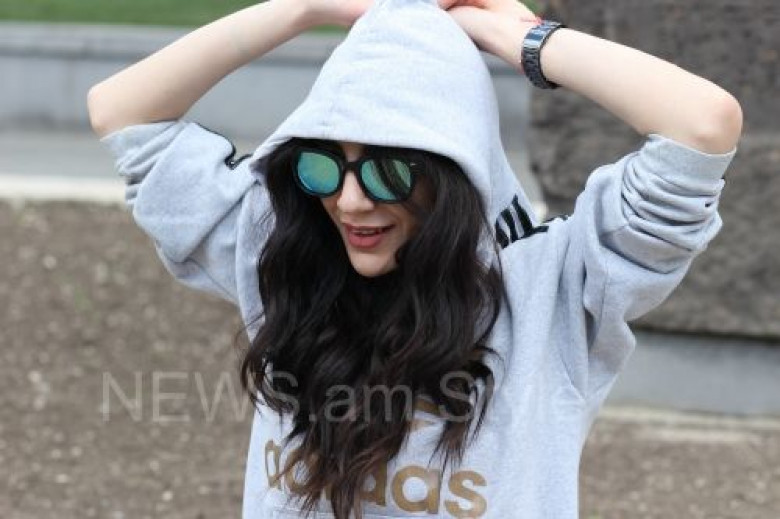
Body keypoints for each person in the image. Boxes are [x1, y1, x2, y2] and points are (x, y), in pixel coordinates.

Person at [87, 0, 743, 517]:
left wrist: (519, 37)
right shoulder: (290, 263)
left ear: (452, 172)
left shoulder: (550, 292)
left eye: (389, 171)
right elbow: (120, 109)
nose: (349, 201)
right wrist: (306, 8)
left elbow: (703, 123)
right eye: (324, 165)